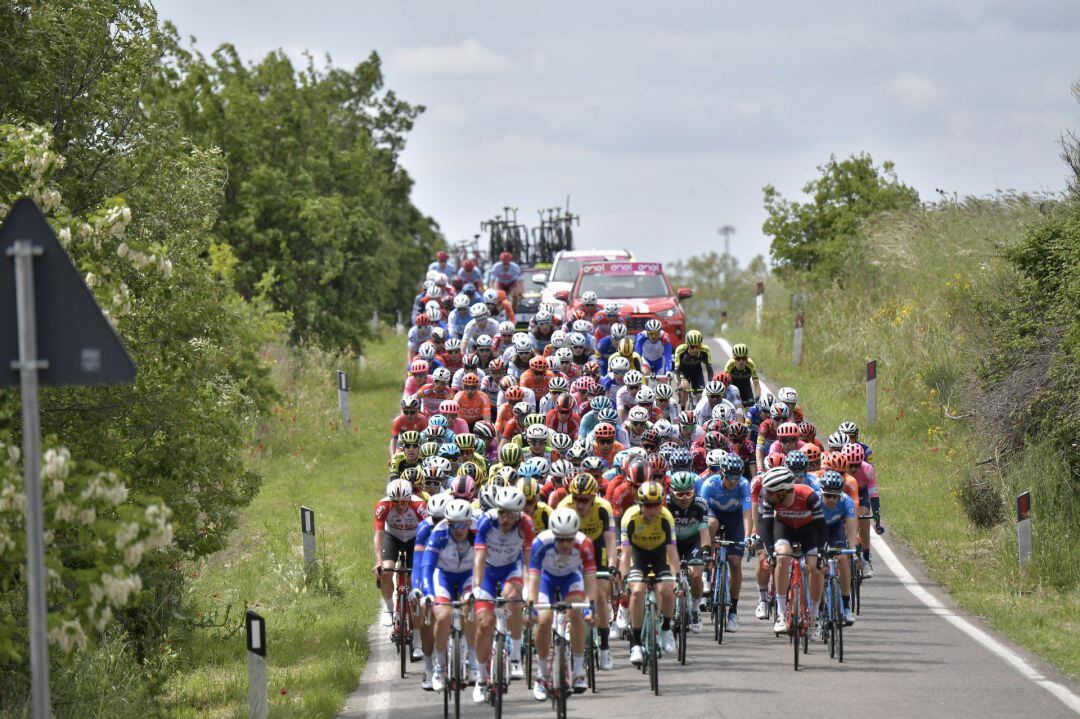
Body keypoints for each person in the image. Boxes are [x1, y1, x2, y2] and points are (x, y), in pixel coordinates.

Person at [526, 507, 597, 700]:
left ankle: (578, 671)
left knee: (576, 614)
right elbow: (532, 577)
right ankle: (542, 676)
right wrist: (530, 605)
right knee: (543, 620)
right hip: (545, 579)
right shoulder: (540, 542)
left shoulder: (584, 543)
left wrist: (590, 606)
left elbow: (590, 579)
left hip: (570, 578)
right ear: (553, 534)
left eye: (569, 539)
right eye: (560, 539)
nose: (565, 544)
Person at [471, 487, 533, 701]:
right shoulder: (487, 521)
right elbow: (478, 557)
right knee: (484, 624)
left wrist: (526, 588)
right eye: (501, 513)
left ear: (518, 514)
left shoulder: (525, 524)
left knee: (512, 598)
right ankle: (480, 679)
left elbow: (528, 561)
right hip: (487, 570)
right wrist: (477, 587)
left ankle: (515, 656)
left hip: (511, 568)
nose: (504, 518)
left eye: (510, 514)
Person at [557, 474, 618, 670]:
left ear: (594, 497)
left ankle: (605, 647)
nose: (580, 504)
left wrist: (611, 565)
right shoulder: (564, 507)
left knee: (600, 594)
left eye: (585, 500)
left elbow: (610, 541)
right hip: (572, 547)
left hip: (596, 545)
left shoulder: (603, 508)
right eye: (576, 498)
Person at [759, 466, 827, 635]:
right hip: (784, 528)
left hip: (809, 530)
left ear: (782, 492)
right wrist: (770, 554)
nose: (767, 495)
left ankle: (813, 616)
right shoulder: (770, 500)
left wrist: (822, 554)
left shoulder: (808, 495)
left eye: (771, 492)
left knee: (815, 567)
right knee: (782, 557)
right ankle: (781, 614)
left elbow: (821, 527)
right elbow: (766, 529)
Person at [419, 498, 479, 691]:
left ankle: (473, 661)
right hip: (443, 575)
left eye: (462, 524)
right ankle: (439, 666)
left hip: (468, 575)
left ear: (469, 522)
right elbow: (426, 566)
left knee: (469, 607)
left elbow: (487, 563)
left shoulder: (479, 531)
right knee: (443, 616)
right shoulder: (439, 533)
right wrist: (427, 593)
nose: (458, 529)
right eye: (453, 524)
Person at [620, 480, 679, 665]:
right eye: (648, 506)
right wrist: (623, 579)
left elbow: (672, 552)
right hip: (637, 556)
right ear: (640, 504)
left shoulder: (666, 518)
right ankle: (636, 644)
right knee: (637, 592)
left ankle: (666, 627)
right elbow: (625, 554)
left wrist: (677, 577)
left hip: (659, 555)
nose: (652, 510)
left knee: (667, 590)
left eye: (656, 505)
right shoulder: (630, 518)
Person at [699, 454, 753, 630]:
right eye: (730, 477)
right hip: (714, 514)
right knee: (711, 523)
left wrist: (748, 537)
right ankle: (706, 573)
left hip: (734, 519)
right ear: (722, 474)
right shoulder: (709, 484)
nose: (733, 482)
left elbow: (747, 514)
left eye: (737, 477)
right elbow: (701, 515)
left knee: (735, 562)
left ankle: (733, 613)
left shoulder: (744, 485)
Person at [373, 479, 429, 627]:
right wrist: (378, 562)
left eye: (404, 501)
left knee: (413, 577)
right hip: (393, 537)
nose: (400, 505)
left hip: (414, 539)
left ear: (409, 498)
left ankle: (412, 607)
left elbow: (429, 534)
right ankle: (389, 608)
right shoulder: (382, 506)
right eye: (396, 502)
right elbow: (378, 536)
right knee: (386, 570)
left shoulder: (420, 506)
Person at [666, 471, 711, 633]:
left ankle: (695, 609)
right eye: (680, 494)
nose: (685, 498)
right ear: (672, 492)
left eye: (688, 493)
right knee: (668, 577)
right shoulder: (665, 504)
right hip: (672, 542)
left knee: (696, 574)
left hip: (693, 541)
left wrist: (706, 551)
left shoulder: (700, 504)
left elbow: (704, 531)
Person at [819, 470, 859, 626]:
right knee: (815, 563)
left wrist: (853, 549)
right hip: (817, 529)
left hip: (836, 529)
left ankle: (846, 605)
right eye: (827, 495)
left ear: (840, 494)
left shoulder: (846, 501)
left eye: (835, 496)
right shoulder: (814, 499)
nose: (831, 499)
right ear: (821, 492)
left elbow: (850, 529)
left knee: (843, 558)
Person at [673, 330, 714, 406]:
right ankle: (683, 410)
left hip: (697, 373)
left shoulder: (705, 350)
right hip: (684, 372)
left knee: (700, 396)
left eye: (697, 346)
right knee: (685, 390)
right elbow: (676, 370)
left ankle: (696, 411)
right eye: (692, 347)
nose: (695, 349)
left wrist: (710, 382)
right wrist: (679, 384)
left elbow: (709, 369)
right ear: (687, 345)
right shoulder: (680, 350)